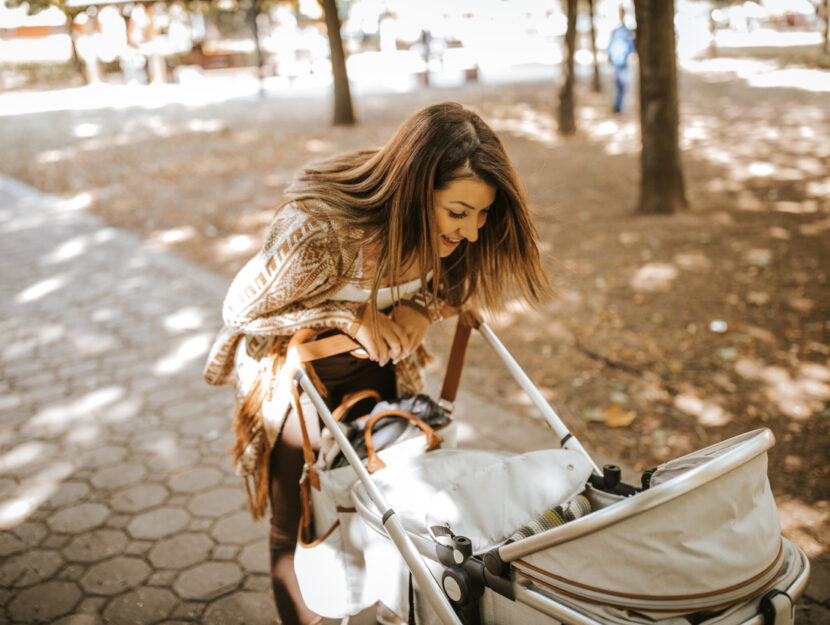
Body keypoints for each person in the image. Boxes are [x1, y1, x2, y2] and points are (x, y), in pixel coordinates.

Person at [203, 102, 551, 625]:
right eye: (458, 212)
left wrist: (420, 308)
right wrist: (349, 319)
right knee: (300, 516)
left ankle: (385, 599)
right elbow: (241, 310)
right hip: (292, 380)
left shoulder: (454, 236)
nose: (472, 232)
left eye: (482, 215)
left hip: (380, 370)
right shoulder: (322, 229)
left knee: (383, 499)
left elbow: (454, 287)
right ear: (415, 189)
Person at [607, 7, 636, 113]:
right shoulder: (617, 31)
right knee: (619, 84)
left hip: (623, 61)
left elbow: (631, 46)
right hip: (618, 61)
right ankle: (618, 105)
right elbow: (610, 47)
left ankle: (619, 105)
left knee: (622, 85)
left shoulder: (626, 31)